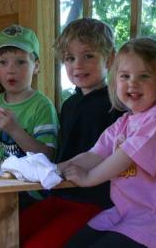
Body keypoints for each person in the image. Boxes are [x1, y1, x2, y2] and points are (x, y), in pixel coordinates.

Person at [60, 37, 156, 248]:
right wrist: (53, 170)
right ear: (115, 81)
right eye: (125, 76)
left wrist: (88, 178)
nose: (133, 83)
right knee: (73, 244)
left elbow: (127, 155)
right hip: (126, 213)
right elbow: (94, 155)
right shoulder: (123, 123)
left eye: (144, 76)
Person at [19, 18, 123, 248]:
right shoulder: (69, 104)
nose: (78, 65)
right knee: (8, 233)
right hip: (59, 194)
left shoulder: (117, 103)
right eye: (70, 58)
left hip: (95, 200)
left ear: (111, 57)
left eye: (88, 56)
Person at [0, 24, 59, 163]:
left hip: (28, 184)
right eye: (3, 62)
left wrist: (15, 130)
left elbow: (49, 156)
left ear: (36, 66)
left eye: (21, 62)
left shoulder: (42, 106)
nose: (11, 70)